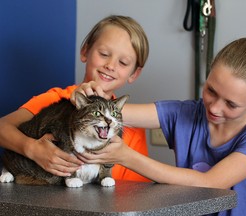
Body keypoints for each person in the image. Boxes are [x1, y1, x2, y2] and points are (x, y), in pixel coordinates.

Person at [73, 38, 246, 215]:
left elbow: (210, 182)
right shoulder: (185, 112)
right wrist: (91, 97)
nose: (214, 108)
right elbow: (110, 113)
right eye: (211, 90)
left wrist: (125, 156)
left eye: (231, 103)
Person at [0, 15, 150, 182]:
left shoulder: (130, 125)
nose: (111, 65)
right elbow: (2, 128)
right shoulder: (55, 101)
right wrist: (33, 149)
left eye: (123, 62)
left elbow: (135, 189)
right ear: (85, 51)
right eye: (104, 54)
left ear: (134, 73)